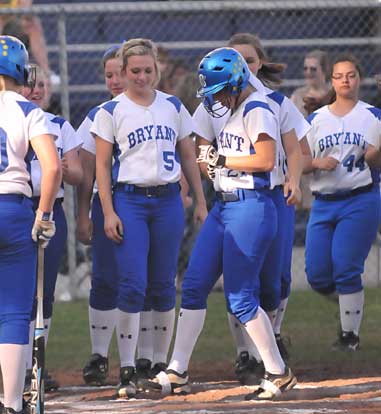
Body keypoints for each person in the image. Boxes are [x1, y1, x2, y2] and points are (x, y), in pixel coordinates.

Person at [144, 47, 297, 401]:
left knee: (241, 296)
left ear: (238, 81)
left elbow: (265, 158)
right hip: (223, 206)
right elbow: (202, 152)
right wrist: (208, 162)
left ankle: (278, 370)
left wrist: (222, 159)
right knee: (194, 285)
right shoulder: (224, 107)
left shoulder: (258, 106)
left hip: (252, 205)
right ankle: (178, 370)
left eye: (219, 91)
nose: (215, 100)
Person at [91, 38, 207, 398]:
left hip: (168, 201)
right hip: (131, 201)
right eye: (135, 71)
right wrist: (109, 211)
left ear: (157, 70)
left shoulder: (173, 105)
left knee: (162, 283)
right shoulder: (110, 111)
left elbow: (189, 156)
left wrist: (200, 201)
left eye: (148, 70)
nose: (142, 77)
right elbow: (102, 168)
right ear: (123, 73)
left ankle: (157, 365)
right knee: (132, 283)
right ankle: (127, 367)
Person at [224, 32, 311, 385]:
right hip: (238, 196)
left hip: (274, 194)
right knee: (242, 279)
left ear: (261, 62)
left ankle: (271, 338)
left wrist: (294, 179)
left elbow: (300, 151)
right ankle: (246, 353)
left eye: (251, 59)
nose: (245, 66)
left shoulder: (276, 101)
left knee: (276, 279)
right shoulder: (219, 102)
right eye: (237, 60)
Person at [0, 35, 61, 414]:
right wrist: (45, 214)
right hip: (13, 210)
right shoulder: (27, 110)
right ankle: (9, 402)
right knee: (14, 313)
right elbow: (52, 167)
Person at [304, 53, 380, 351]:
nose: (345, 80)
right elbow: (300, 162)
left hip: (360, 198)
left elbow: (376, 159)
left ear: (359, 79)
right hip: (323, 202)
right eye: (339, 76)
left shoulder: (373, 115)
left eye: (351, 75)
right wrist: (317, 162)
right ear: (331, 81)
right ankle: (350, 302)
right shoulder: (316, 119)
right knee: (318, 275)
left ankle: (350, 337)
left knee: (347, 267)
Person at [22, 63, 83, 393]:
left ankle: (36, 366)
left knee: (43, 293)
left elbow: (77, 176)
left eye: (42, 83)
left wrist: (60, 168)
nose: (37, 89)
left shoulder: (60, 126)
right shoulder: (12, 121)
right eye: (30, 83)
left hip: (50, 210)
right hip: (18, 205)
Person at [77, 44, 127, 387]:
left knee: (143, 280)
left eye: (119, 73)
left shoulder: (161, 107)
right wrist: (83, 214)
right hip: (105, 201)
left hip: (147, 200)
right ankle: (99, 354)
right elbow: (85, 170)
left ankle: (142, 357)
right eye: (108, 74)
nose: (114, 80)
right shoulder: (97, 115)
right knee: (105, 277)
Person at [291, 50, 331, 212]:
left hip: (330, 151)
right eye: (305, 68)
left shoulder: (334, 94)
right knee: (313, 209)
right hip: (307, 154)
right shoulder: (298, 96)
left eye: (313, 69)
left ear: (324, 70)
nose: (308, 73)